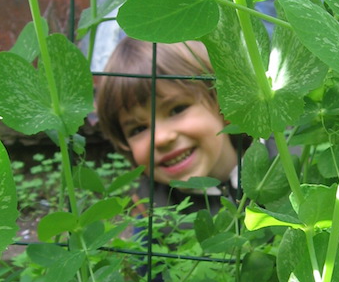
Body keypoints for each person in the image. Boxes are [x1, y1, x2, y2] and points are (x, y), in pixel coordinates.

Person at [96, 37, 242, 213]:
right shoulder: (149, 210)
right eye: (138, 129)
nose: (160, 138)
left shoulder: (280, 162)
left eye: (176, 110)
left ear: (224, 105)